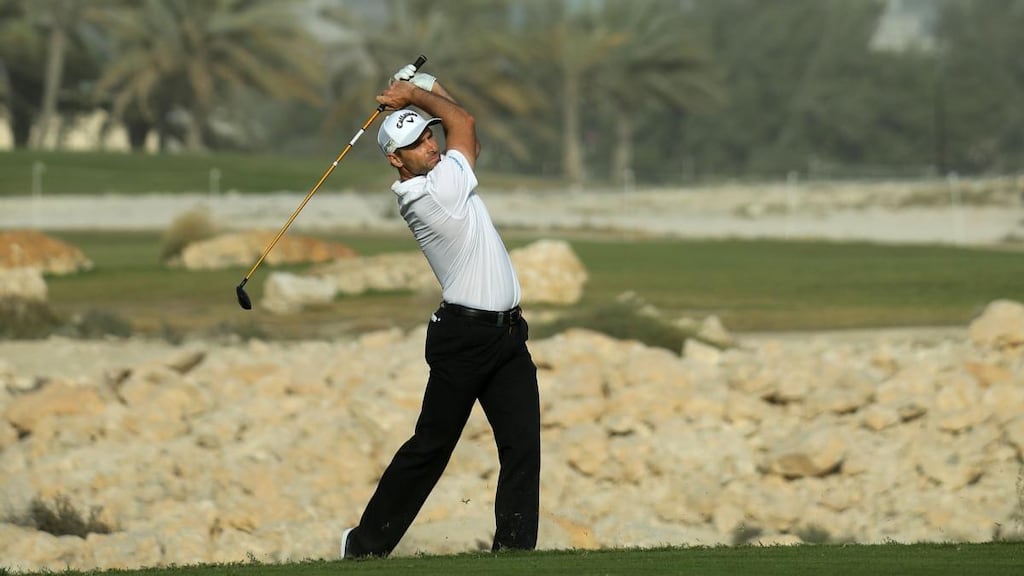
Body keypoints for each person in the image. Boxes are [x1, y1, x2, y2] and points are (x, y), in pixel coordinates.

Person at [339, 63, 541, 559]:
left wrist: (424, 90)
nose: (430, 146)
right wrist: (417, 91)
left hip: (506, 337)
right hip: (464, 341)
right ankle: (363, 546)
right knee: (430, 449)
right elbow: (465, 125)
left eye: (430, 137)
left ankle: (514, 553)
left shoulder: (445, 173)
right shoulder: (432, 194)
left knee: (523, 447)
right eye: (417, 145)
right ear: (396, 160)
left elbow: (457, 123)